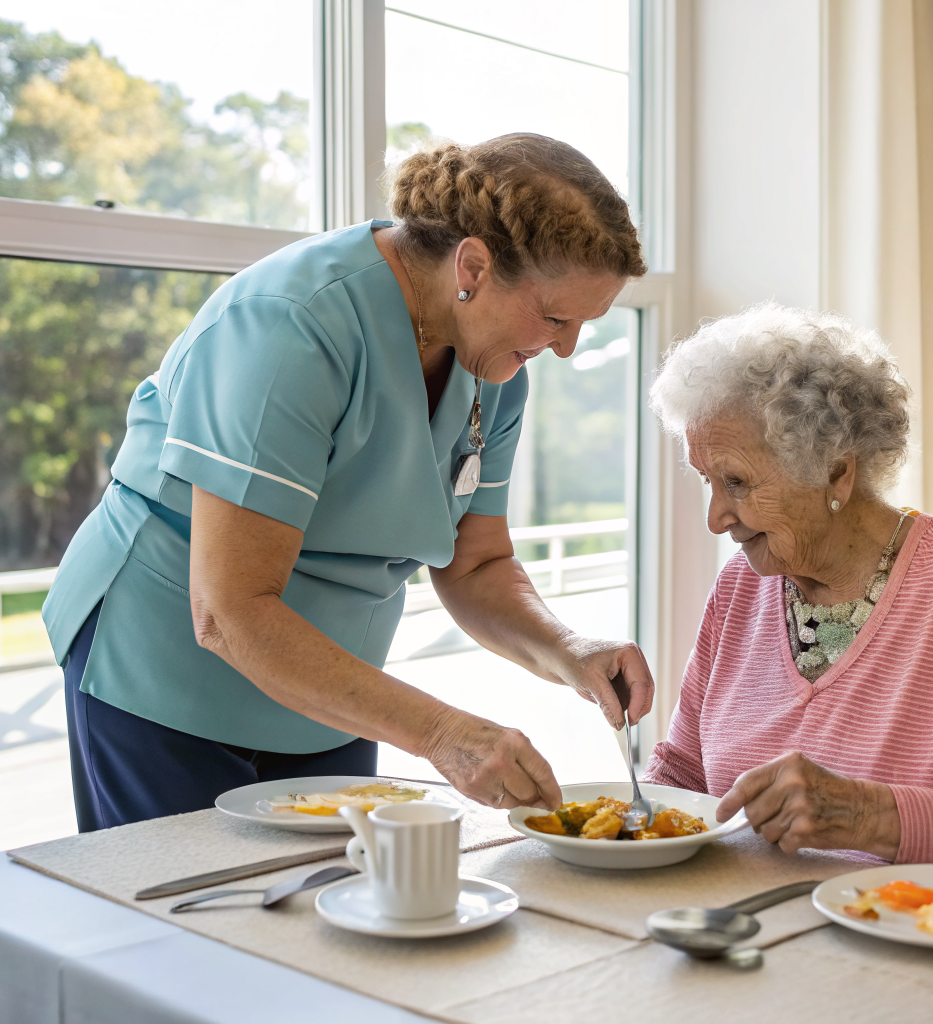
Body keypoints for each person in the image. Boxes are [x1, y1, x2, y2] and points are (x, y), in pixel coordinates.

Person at [42, 135, 655, 831]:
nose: (568, 347)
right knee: (185, 922)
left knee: (330, 921)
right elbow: (229, 608)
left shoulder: (494, 364)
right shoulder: (290, 323)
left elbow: (477, 561)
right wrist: (443, 734)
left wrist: (566, 650)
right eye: (555, 318)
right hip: (165, 666)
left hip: (328, 687)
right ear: (474, 267)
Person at [643, 303, 933, 879]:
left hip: (906, 941)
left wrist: (862, 816)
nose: (717, 517)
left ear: (835, 472)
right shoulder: (740, 587)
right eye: (709, 482)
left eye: (737, 482)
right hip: (746, 936)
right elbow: (682, 777)